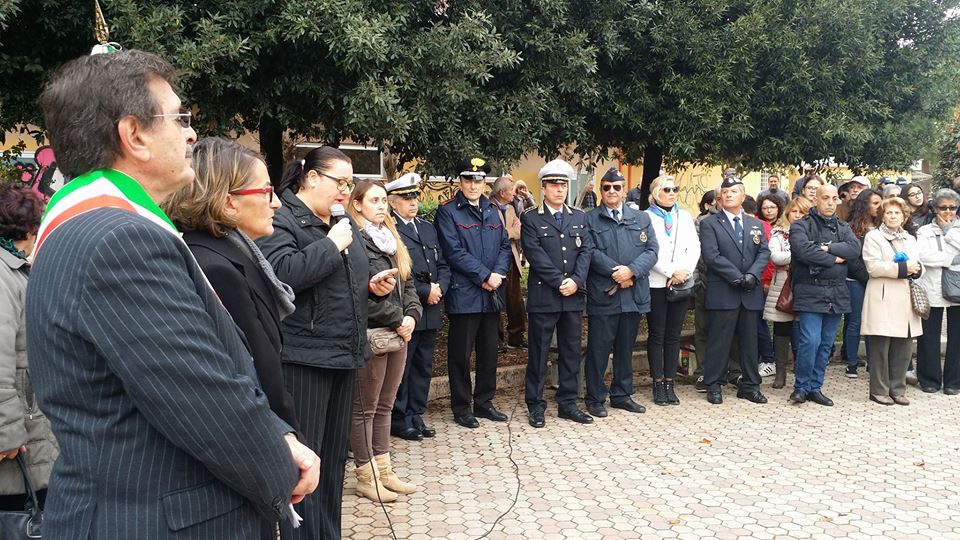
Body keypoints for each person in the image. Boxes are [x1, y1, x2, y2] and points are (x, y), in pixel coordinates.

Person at [29, 50, 318, 539]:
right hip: (157, 520)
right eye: (180, 118)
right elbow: (202, 396)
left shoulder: (96, 226)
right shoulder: (120, 239)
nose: (191, 134)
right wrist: (282, 466)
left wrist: (279, 437)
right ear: (134, 135)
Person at [163, 138, 299, 538]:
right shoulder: (216, 266)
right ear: (227, 203)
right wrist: (289, 444)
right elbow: (255, 370)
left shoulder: (233, 253)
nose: (277, 203)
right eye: (267, 191)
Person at [258, 145, 394, 538]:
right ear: (312, 177)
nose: (345, 191)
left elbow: (338, 282)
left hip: (343, 355)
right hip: (304, 359)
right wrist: (331, 245)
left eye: (350, 184)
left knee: (334, 464)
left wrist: (370, 286)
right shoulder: (283, 218)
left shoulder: (340, 220)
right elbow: (282, 275)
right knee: (308, 465)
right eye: (340, 182)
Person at [347, 181, 422, 503]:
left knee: (385, 405)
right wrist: (397, 319)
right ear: (357, 204)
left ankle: (384, 470)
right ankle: (366, 476)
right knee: (365, 408)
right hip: (374, 334)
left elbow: (408, 284)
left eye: (383, 200)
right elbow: (357, 292)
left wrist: (412, 316)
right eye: (374, 200)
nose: (381, 206)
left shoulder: (391, 238)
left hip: (398, 334)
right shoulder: (353, 239)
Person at [436, 157, 512, 429]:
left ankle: (484, 402)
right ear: (460, 181)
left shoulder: (492, 210)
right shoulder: (448, 211)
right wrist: (485, 276)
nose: (473, 185)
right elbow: (453, 252)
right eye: (468, 180)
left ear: (484, 183)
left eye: (478, 180)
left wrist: (498, 274)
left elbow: (504, 246)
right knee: (460, 354)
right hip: (465, 293)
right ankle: (461, 407)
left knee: (489, 351)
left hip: (491, 294)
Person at [521, 159, 595, 427]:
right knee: (539, 353)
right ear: (543, 188)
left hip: (573, 296)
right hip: (545, 296)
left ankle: (568, 403)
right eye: (554, 185)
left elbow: (586, 250)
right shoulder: (531, 217)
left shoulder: (579, 216)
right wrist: (560, 282)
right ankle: (536, 404)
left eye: (563, 185)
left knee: (571, 351)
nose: (559, 189)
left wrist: (576, 281)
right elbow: (535, 254)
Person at [0, 184, 57, 512]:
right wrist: (6, 431)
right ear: (29, 229)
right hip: (16, 443)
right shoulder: (3, 271)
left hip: (25, 428)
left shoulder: (13, 268)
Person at [584, 168, 658, 416]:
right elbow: (589, 251)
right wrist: (617, 272)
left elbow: (652, 251)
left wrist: (631, 272)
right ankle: (595, 398)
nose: (612, 191)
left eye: (617, 187)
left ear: (625, 190)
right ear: (601, 190)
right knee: (598, 350)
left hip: (633, 294)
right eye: (606, 187)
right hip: (605, 293)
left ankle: (622, 395)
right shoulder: (589, 219)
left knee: (626, 348)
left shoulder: (641, 218)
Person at [388, 173, 451, 440]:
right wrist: (425, 291)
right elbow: (398, 271)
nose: (413, 202)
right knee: (403, 366)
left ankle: (416, 413)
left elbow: (443, 263)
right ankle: (400, 417)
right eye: (406, 198)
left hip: (431, 308)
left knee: (423, 365)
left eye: (415, 197)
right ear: (393, 202)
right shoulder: (390, 230)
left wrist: (440, 288)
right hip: (409, 309)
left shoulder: (426, 227)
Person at [699, 176, 770, 405]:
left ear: (743, 196)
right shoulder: (710, 223)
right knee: (719, 341)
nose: (729, 195)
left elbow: (764, 252)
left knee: (750, 342)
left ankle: (749, 385)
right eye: (725, 192)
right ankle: (714, 384)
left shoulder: (755, 224)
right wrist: (738, 277)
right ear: (720, 198)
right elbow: (712, 256)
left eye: (733, 191)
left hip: (750, 292)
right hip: (724, 291)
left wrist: (752, 275)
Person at [787, 184, 860, 406]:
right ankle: (801, 387)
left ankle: (815, 387)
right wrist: (835, 257)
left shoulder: (844, 227)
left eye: (834, 198)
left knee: (826, 344)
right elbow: (803, 251)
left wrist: (826, 248)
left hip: (837, 291)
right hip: (810, 289)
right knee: (810, 341)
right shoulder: (801, 225)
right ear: (815, 200)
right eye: (825, 198)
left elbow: (854, 250)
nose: (830, 202)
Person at [861, 197, 923, 405]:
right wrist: (905, 268)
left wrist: (918, 270)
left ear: (904, 217)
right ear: (882, 216)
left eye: (897, 213)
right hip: (883, 296)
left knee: (903, 346)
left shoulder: (910, 239)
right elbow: (873, 267)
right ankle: (878, 390)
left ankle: (898, 389)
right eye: (889, 213)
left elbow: (918, 263)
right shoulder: (873, 236)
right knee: (881, 346)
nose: (893, 216)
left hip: (905, 296)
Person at [645, 175, 698, 405]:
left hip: (681, 283)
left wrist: (684, 272)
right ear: (656, 192)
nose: (672, 193)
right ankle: (657, 382)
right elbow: (649, 250)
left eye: (675, 189)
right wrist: (670, 272)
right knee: (657, 334)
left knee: (673, 334)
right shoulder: (646, 217)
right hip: (656, 282)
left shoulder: (684, 216)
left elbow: (694, 247)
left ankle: (670, 381)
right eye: (667, 189)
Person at [763, 197, 812, 388]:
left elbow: (819, 255)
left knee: (802, 330)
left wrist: (799, 257)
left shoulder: (813, 232)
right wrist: (803, 256)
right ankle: (780, 372)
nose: (798, 216)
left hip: (806, 284)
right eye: (794, 211)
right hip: (782, 285)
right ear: (788, 213)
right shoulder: (778, 233)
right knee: (781, 329)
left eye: (802, 212)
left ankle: (801, 373)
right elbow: (776, 257)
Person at [915, 188, 960, 395]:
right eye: (943, 208)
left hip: (957, 288)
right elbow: (923, 256)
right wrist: (951, 259)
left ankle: (954, 382)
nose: (948, 212)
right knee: (929, 336)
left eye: (952, 207)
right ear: (935, 209)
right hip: (932, 288)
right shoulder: (924, 231)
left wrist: (949, 232)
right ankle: (929, 379)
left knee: (957, 336)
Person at [842, 188, 883, 378]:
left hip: (877, 280)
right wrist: (868, 279)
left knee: (873, 322)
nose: (879, 207)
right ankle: (852, 363)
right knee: (855, 321)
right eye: (875, 203)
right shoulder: (852, 228)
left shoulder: (882, 227)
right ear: (864, 205)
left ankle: (873, 362)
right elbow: (852, 260)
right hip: (856, 280)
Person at [490, 175, 527, 349]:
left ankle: (516, 338)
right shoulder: (488, 208)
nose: (514, 193)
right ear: (502, 192)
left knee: (515, 300)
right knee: (495, 300)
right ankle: (497, 341)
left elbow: (520, 231)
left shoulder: (511, 207)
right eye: (511, 190)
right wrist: (509, 232)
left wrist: (505, 232)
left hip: (512, 259)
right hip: (494, 260)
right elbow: (492, 233)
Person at [693, 189, 718, 391]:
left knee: (731, 330)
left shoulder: (744, 221)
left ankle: (732, 371)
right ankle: (703, 371)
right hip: (705, 281)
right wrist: (696, 280)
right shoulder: (701, 222)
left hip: (731, 284)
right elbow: (694, 252)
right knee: (703, 328)